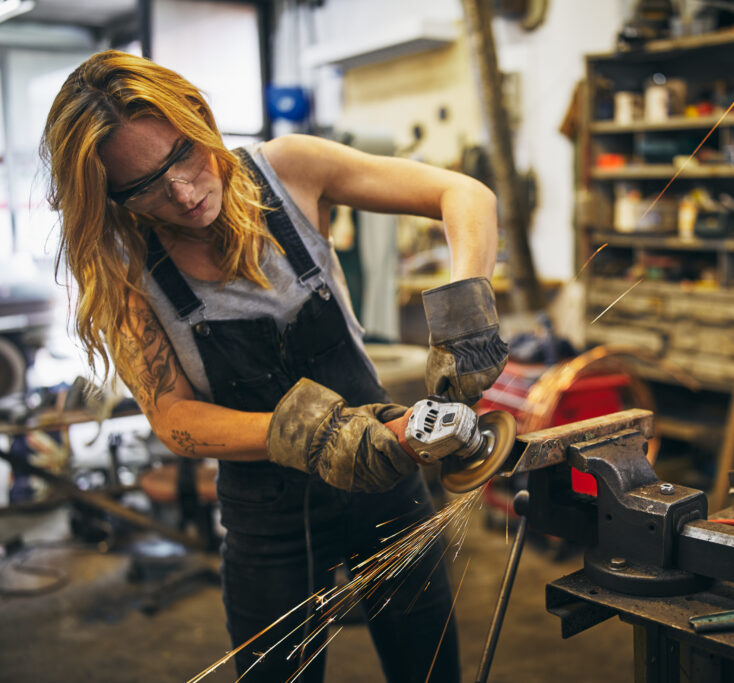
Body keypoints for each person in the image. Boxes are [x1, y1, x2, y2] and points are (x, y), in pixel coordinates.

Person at [41, 50, 508, 682]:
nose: (181, 191)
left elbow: (465, 194)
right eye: (144, 185)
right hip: (268, 515)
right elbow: (174, 417)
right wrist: (314, 435)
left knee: (427, 667)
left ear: (199, 119)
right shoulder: (122, 264)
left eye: (181, 154)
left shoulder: (289, 172)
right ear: (110, 194)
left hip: (390, 478)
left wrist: (465, 316)